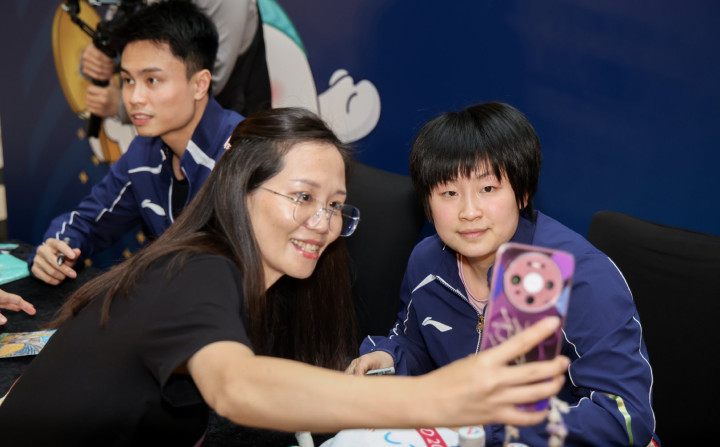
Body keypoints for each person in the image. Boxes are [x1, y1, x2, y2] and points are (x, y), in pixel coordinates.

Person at [0, 107, 569, 445]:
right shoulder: (200, 269)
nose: (322, 223)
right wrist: (432, 399)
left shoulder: (255, 282)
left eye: (335, 205)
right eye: (302, 196)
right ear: (240, 188)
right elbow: (237, 387)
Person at [347, 102, 659, 446]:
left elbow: (625, 417)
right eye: (449, 193)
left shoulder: (582, 277)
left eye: (488, 189)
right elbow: (416, 345)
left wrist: (493, 423)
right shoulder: (427, 260)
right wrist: (390, 358)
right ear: (427, 203)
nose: (469, 212)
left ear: (522, 193)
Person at [29, 1, 243, 285]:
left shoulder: (244, 154)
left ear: (200, 84)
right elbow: (87, 222)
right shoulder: (144, 152)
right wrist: (56, 250)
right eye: (128, 80)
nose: (134, 98)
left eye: (152, 80)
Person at [83, 0, 270, 121]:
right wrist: (104, 53)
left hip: (230, 121)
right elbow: (121, 23)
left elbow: (205, 83)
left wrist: (124, 106)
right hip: (170, 129)